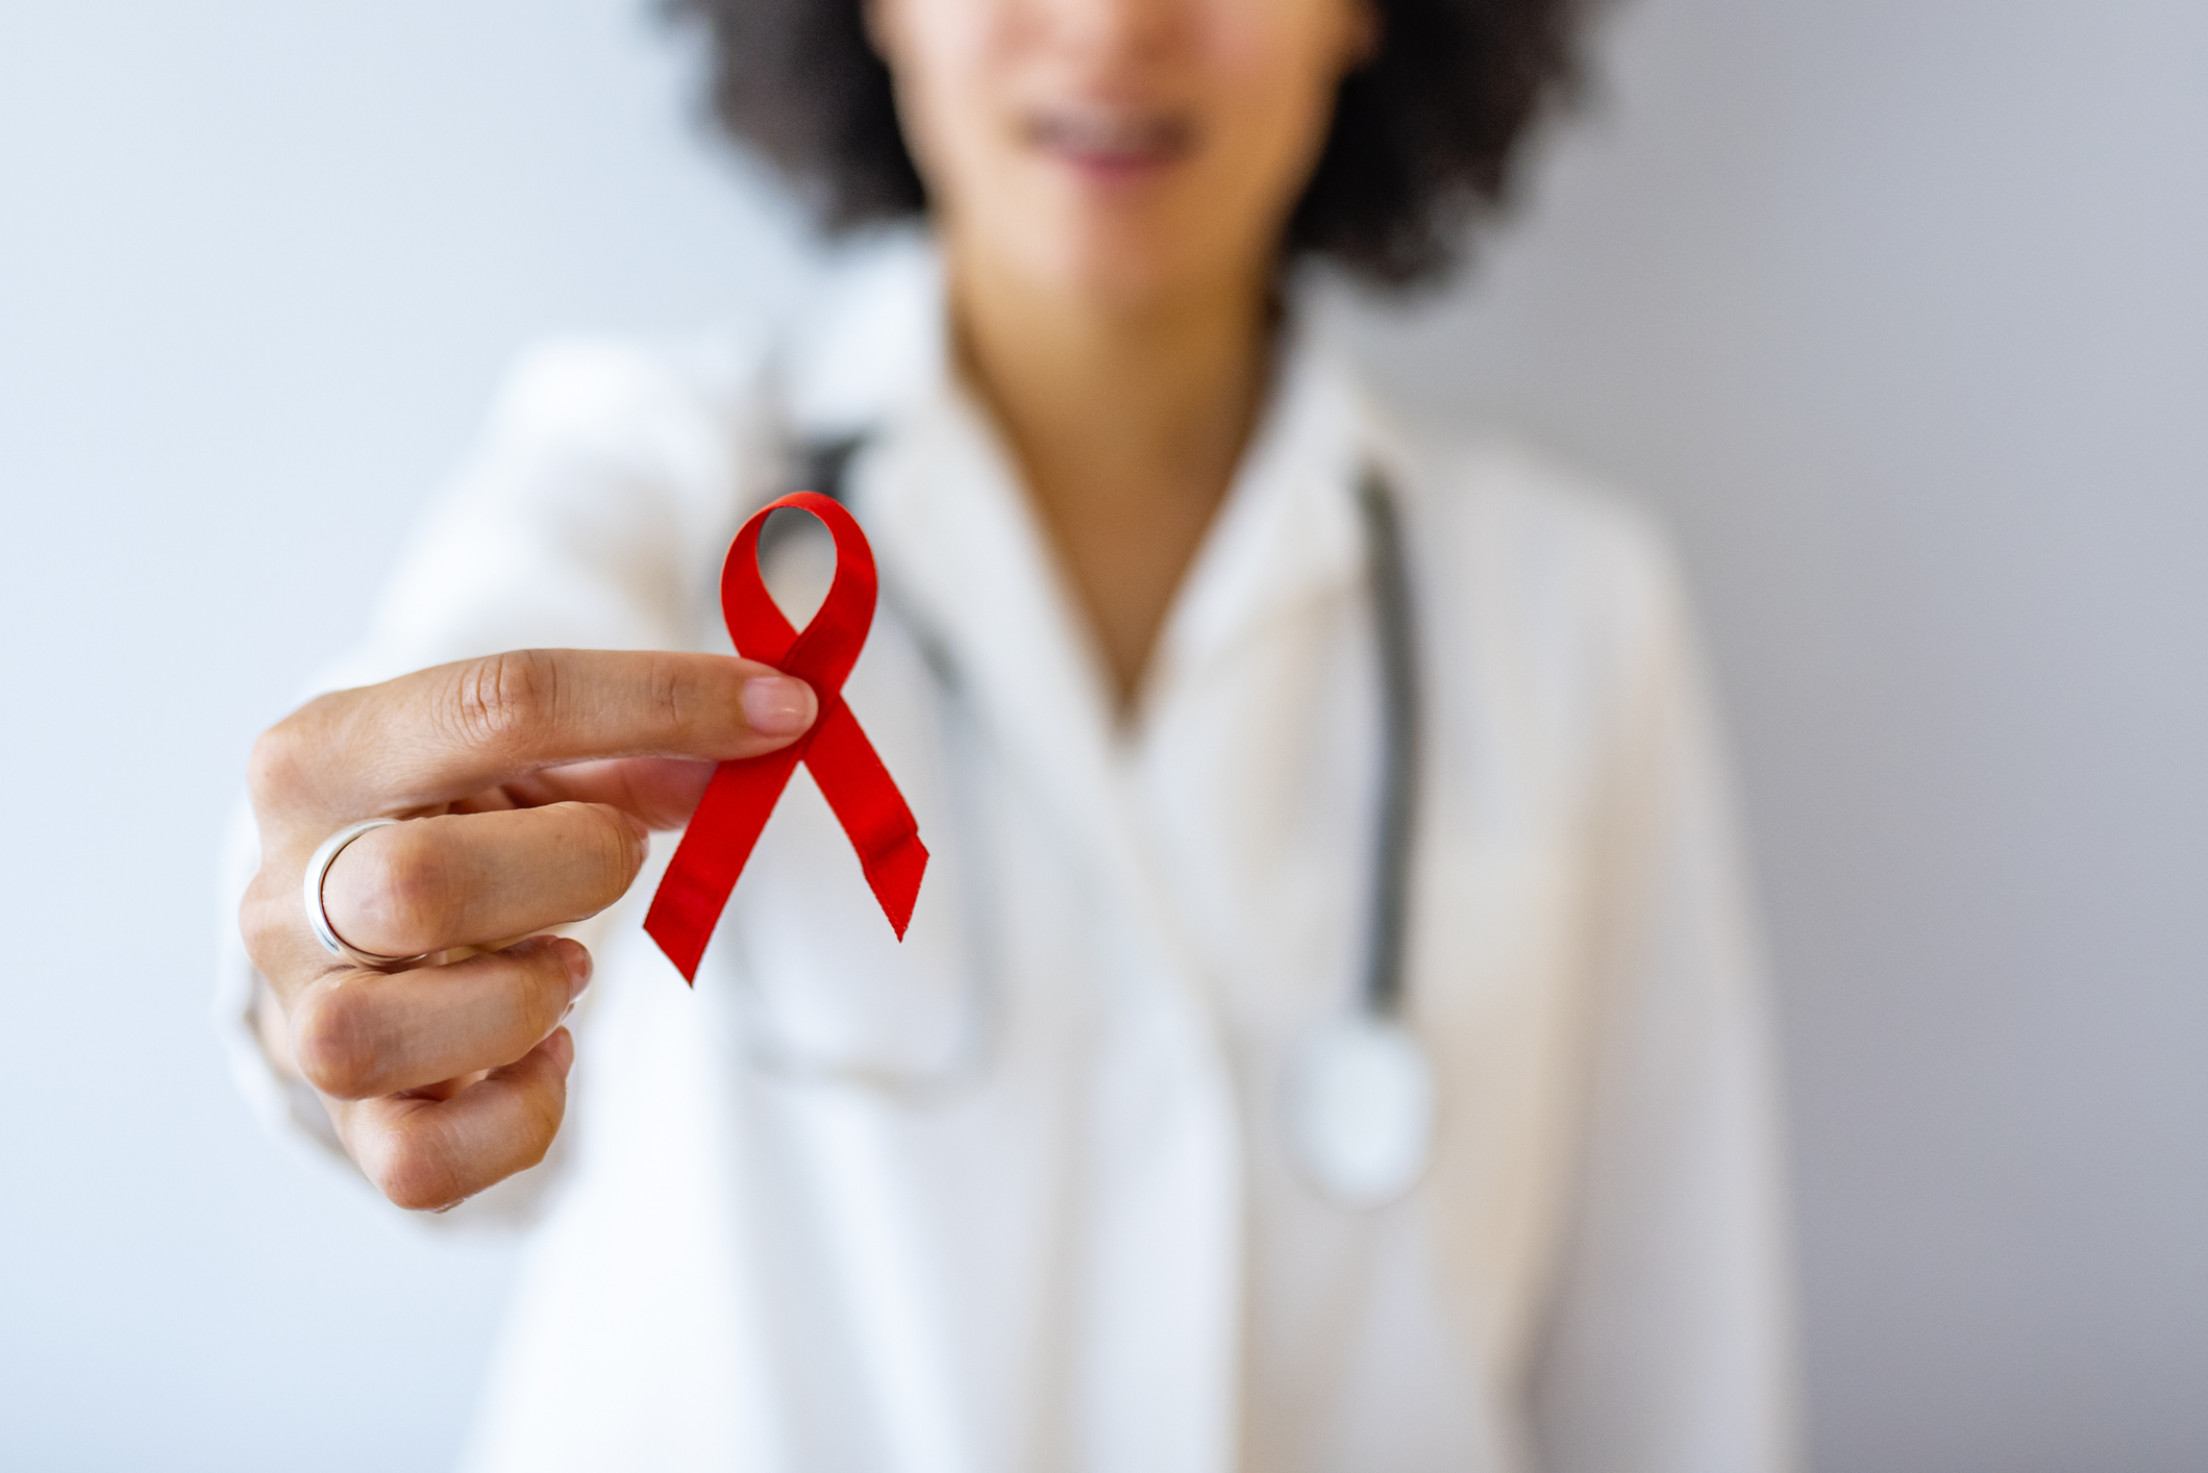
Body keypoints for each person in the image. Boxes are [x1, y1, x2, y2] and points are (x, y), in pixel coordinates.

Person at [219, 0, 1802, 1467]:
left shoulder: (1574, 607)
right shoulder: (638, 472)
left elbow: (1677, 1389)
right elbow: (423, 736)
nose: (1113, 27)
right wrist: (361, 930)